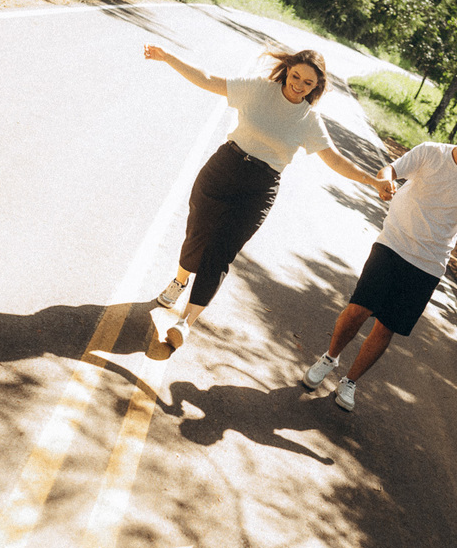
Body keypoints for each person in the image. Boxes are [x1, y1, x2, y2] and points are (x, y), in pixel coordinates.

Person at [144, 44, 396, 348]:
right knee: (198, 233)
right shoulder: (258, 89)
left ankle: (185, 323)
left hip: (259, 188)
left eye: (308, 82)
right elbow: (208, 79)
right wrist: (167, 57)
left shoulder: (309, 120)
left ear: (317, 86)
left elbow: (335, 159)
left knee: (222, 251)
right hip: (223, 168)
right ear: (288, 69)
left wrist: (372, 181)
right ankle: (180, 279)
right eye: (296, 76)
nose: (299, 85)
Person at [301, 108, 457, 411]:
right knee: (358, 309)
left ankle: (350, 382)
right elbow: (390, 170)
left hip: (429, 263)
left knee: (386, 327)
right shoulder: (430, 152)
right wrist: (385, 182)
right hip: (393, 242)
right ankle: (329, 358)